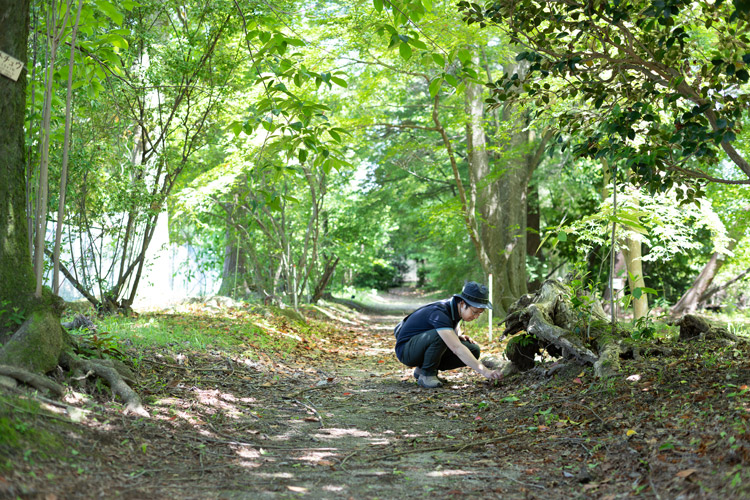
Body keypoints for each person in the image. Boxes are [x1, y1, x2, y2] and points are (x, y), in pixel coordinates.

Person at [394, 281, 503, 388]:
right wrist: (486, 372)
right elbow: (456, 348)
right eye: (474, 312)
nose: (476, 317)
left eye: (480, 313)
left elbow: (453, 328)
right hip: (406, 350)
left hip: (420, 346)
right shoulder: (439, 313)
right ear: (462, 303)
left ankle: (422, 370)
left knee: (473, 349)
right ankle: (427, 375)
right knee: (440, 335)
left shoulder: (454, 308)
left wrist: (457, 335)